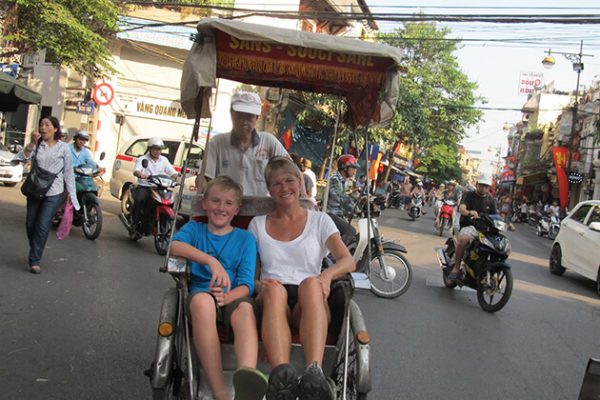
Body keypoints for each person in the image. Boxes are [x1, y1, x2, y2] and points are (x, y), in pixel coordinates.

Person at [248, 157, 355, 400]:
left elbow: (347, 261)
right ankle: (281, 379)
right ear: (269, 190)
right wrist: (259, 286)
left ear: (300, 183)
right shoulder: (257, 224)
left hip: (310, 299)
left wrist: (326, 275)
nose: (285, 188)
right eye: (277, 184)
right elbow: (251, 275)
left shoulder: (320, 221)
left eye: (290, 181)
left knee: (310, 283)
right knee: (275, 290)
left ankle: (313, 375)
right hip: (273, 301)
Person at [170, 176, 266, 400]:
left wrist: (227, 297)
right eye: (215, 201)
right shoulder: (195, 229)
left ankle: (246, 383)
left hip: (235, 296)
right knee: (204, 303)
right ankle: (220, 392)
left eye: (228, 203)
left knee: (244, 310)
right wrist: (211, 262)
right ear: (205, 203)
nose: (221, 208)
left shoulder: (245, 239)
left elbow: (247, 284)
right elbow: (173, 245)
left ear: (236, 209)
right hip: (202, 295)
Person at [15, 117, 80, 274]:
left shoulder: (64, 148)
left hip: (54, 192)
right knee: (31, 224)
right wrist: (31, 143)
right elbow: (21, 158)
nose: (43, 128)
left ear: (55, 129)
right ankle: (35, 248)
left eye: (47, 125)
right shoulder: (37, 144)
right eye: (41, 125)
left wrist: (72, 195)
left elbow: (68, 172)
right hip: (35, 190)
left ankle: (35, 259)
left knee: (43, 226)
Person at [196, 91, 288, 196]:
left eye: (249, 116)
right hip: (226, 210)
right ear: (231, 113)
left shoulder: (269, 142)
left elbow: (291, 171)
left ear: (257, 117)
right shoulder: (217, 143)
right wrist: (202, 184)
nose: (244, 121)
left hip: (262, 211)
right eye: (239, 115)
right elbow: (205, 178)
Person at [448, 172, 505, 282]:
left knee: (498, 246)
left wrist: (506, 223)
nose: (484, 188)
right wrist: (470, 212)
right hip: (470, 226)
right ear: (477, 184)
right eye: (482, 185)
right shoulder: (468, 195)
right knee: (463, 239)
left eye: (486, 186)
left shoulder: (490, 199)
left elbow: (495, 215)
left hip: (484, 229)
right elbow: (461, 209)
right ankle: (456, 268)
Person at [132, 137, 178, 232]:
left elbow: (172, 172)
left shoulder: (164, 160)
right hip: (145, 186)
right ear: (150, 148)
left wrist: (176, 177)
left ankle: (162, 222)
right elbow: (136, 170)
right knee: (140, 199)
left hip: (159, 187)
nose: (158, 151)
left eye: (159, 149)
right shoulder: (143, 159)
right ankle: (135, 221)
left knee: (171, 200)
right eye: (155, 149)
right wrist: (140, 174)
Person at [327, 154, 358, 218]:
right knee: (349, 228)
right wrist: (354, 204)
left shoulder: (345, 181)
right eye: (353, 168)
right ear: (344, 167)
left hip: (340, 215)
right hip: (331, 215)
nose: (354, 171)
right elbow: (339, 197)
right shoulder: (334, 180)